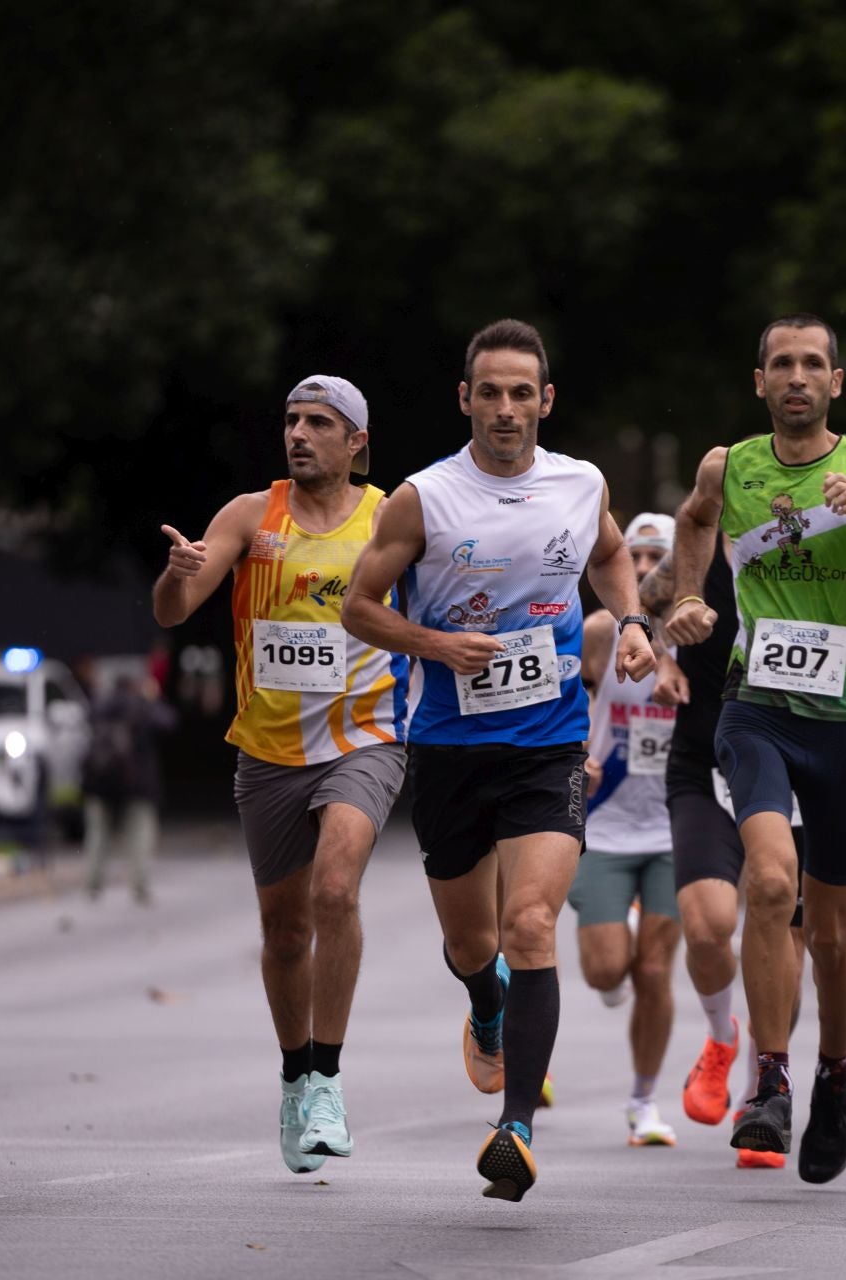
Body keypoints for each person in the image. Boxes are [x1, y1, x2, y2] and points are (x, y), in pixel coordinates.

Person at [344, 319, 657, 1202]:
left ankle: (516, 1128)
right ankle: (486, 1001)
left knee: (530, 926)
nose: (507, 409)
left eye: (524, 393)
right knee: (472, 941)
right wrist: (433, 643)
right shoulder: (422, 498)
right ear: (466, 400)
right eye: (491, 392)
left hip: (549, 742)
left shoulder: (579, 482)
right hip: (448, 746)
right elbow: (360, 610)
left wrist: (630, 619)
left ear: (546, 401)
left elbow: (607, 554)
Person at [667, 314, 846, 1183]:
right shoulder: (730, 465)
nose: (797, 378)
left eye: (813, 365)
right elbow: (693, 520)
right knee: (767, 883)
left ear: (837, 382)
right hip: (754, 708)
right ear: (759, 382)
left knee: (829, 930)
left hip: (843, 723)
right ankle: (773, 1078)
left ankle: (836, 1069)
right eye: (781, 365)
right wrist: (685, 598)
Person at [151, 374, 407, 1176]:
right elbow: (174, 609)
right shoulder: (247, 516)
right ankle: (296, 1073)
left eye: (320, 423)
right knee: (287, 930)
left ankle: (326, 1076)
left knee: (336, 890)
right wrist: (176, 571)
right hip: (267, 752)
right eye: (292, 421)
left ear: (356, 441)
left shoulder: (390, 515)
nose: (299, 434)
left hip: (366, 737)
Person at [638, 521, 807, 1171]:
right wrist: (657, 657)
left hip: (797, 764)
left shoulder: (814, 554)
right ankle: (720, 1036)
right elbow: (638, 606)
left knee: (788, 934)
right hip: (704, 763)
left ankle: (763, 1097)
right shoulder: (696, 555)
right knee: (709, 926)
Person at [571, 513, 684, 1149]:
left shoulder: (695, 639)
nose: (642, 570)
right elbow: (561, 695)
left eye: (657, 558)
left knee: (656, 972)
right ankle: (623, 926)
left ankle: (644, 1102)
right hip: (604, 821)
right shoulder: (597, 633)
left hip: (674, 826)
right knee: (606, 971)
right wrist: (571, 756)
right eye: (633, 557)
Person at [83, 670, 178, 904]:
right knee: (140, 835)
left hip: (100, 781)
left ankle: (93, 883)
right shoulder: (142, 705)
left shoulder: (100, 705)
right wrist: (153, 698)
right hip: (138, 783)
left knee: (97, 833)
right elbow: (169, 722)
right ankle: (139, 885)